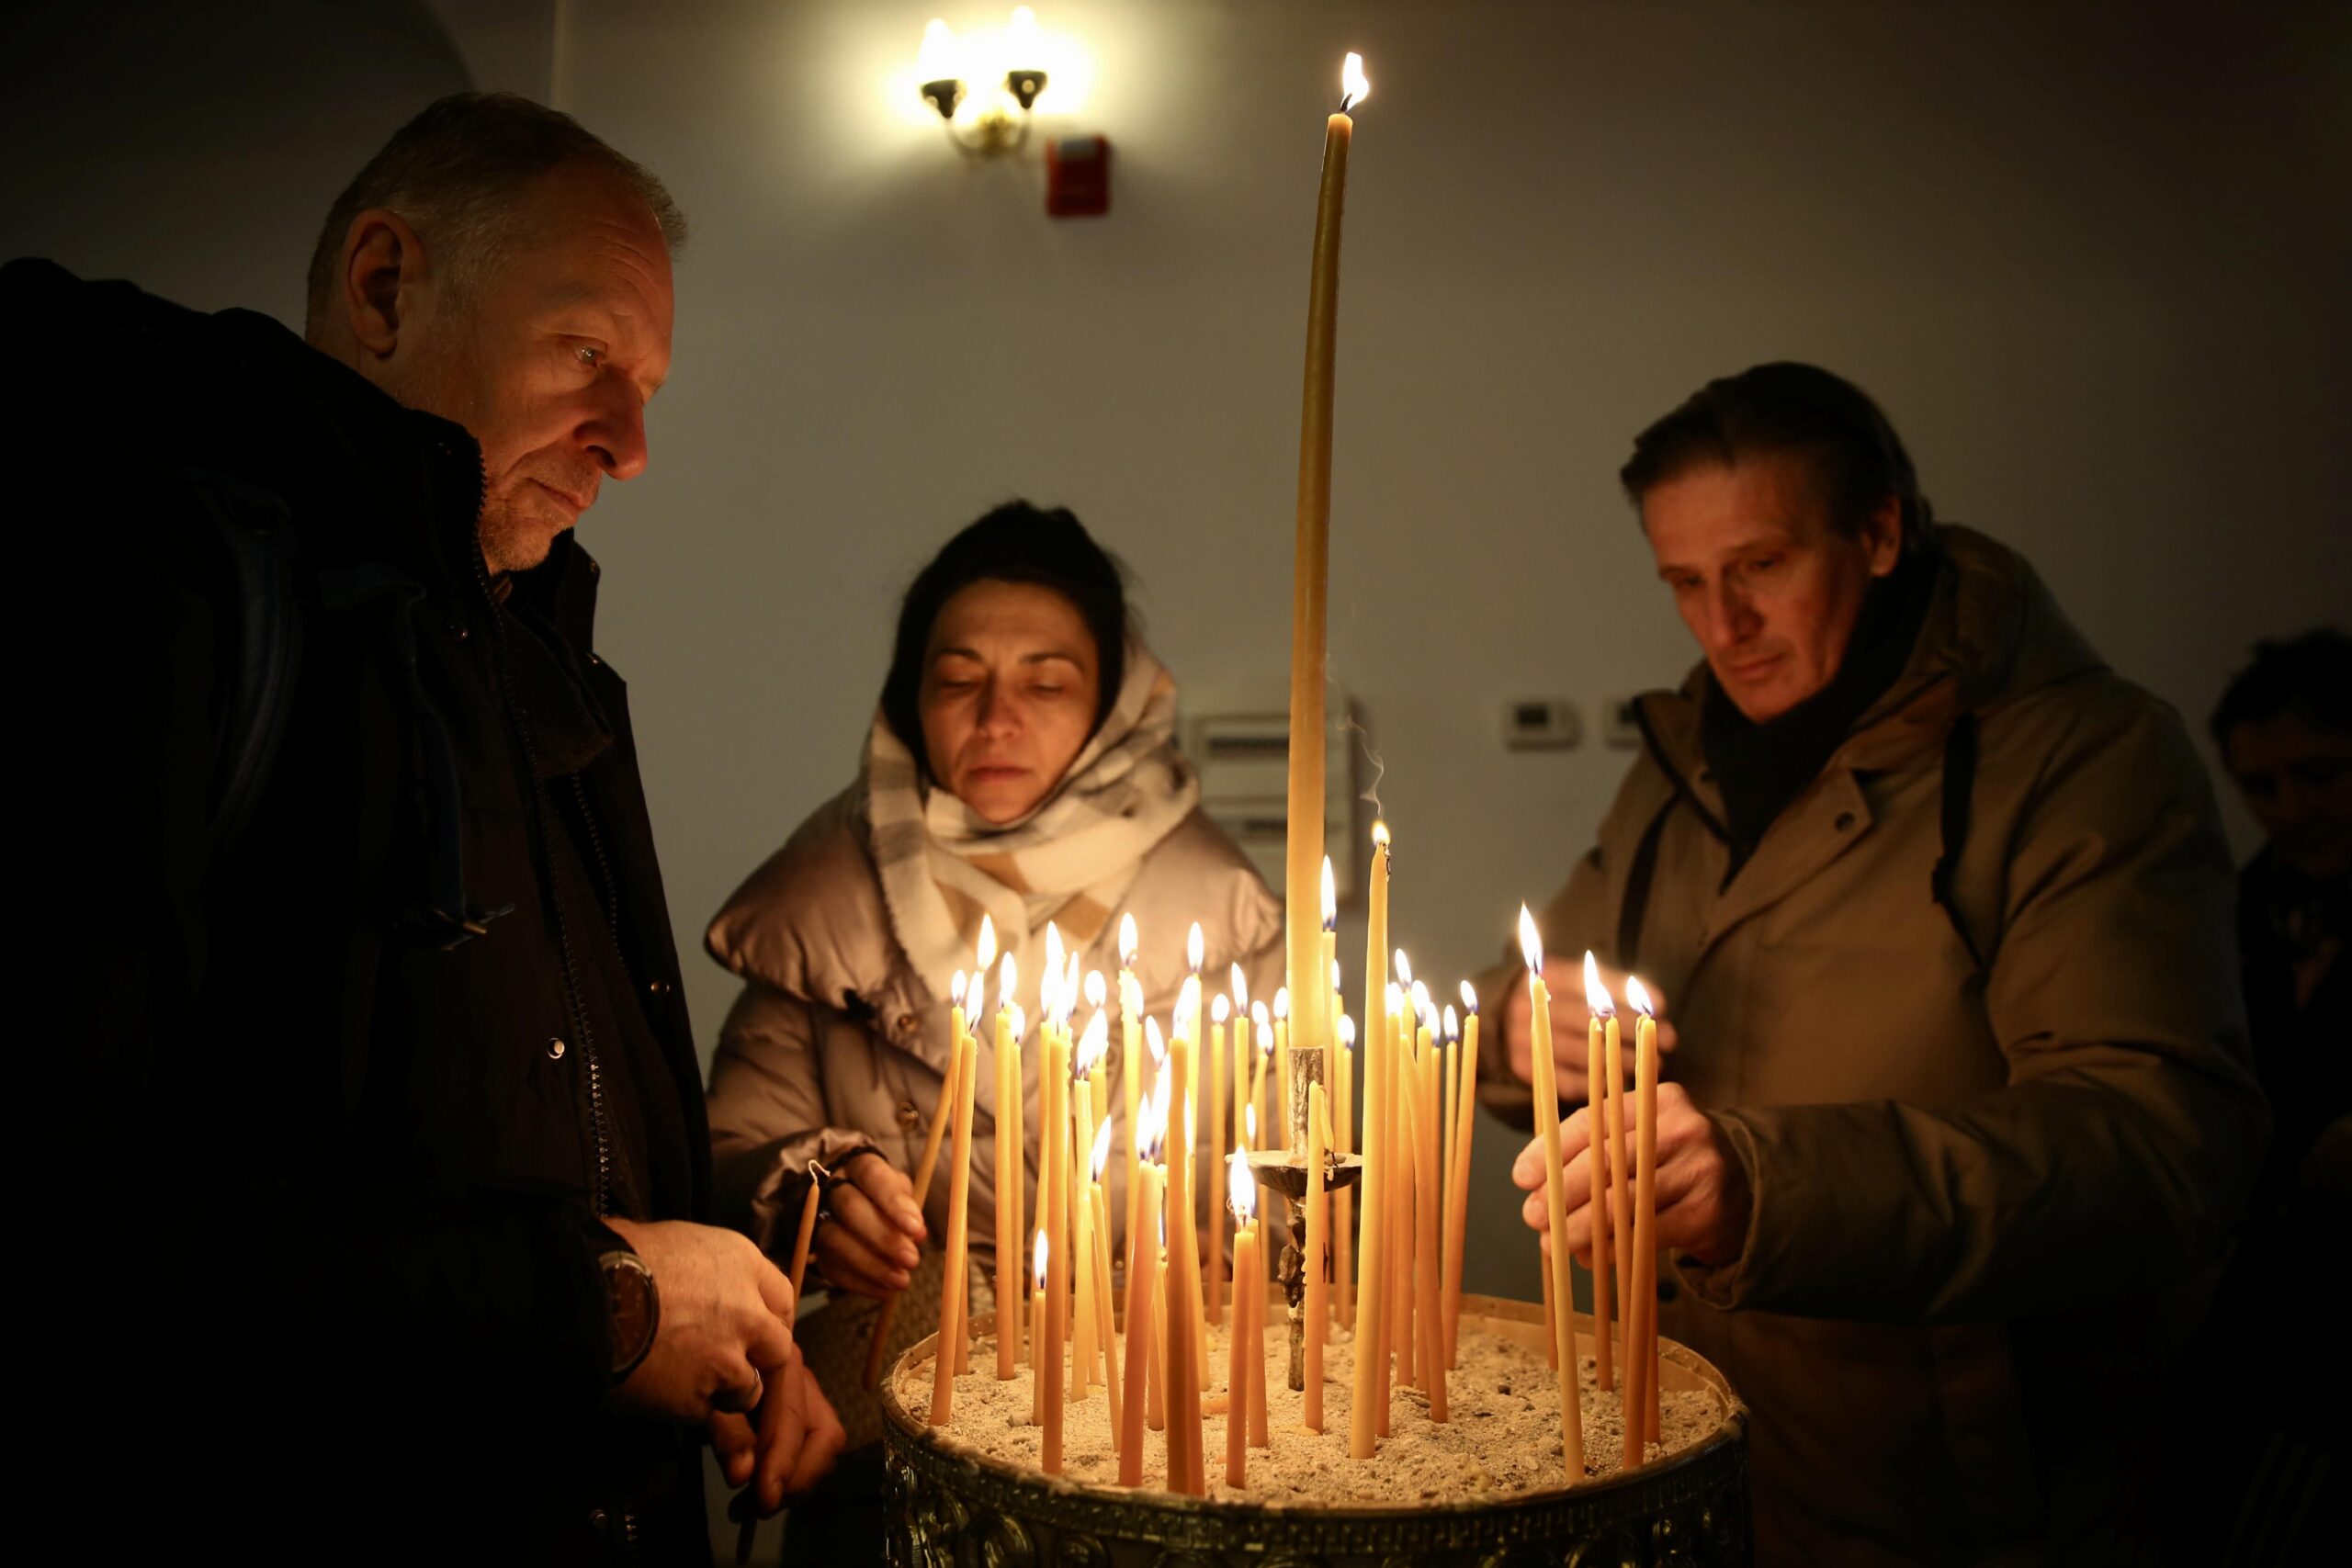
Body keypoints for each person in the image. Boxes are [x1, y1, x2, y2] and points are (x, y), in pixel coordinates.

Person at [12, 94, 840, 1561]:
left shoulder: (529, 656)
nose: (632, 445)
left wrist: (756, 1256)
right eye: (589, 354)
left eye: (646, 382)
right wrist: (605, 1305)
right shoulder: (150, 595)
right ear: (387, 285)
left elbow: (534, 1141)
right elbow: (68, 1225)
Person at [1478, 363, 2268, 1563]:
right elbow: (1540, 979)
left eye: (1760, 566)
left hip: (1952, 1501)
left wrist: (1766, 1183)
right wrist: (1515, 1032)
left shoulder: (2084, 757)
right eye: (1684, 582)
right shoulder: (1685, 757)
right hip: (1690, 1454)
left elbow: (2161, 1149)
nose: (1720, 625)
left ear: (1882, 531)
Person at [705, 501, 1283, 1552]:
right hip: (887, 1428)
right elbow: (731, 1158)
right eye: (958, 679)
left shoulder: (1220, 913)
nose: (995, 718)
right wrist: (809, 1194)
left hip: (1159, 1431)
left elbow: (1297, 1172)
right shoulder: (819, 910)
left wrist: (1235, 1248)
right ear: (909, 699)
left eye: (1045, 682)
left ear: (1111, 702)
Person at [2166, 628, 2348, 1562]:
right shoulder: (2236, 911)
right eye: (2263, 787)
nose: (2292, 810)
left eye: (2319, 775)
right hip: (2256, 1305)